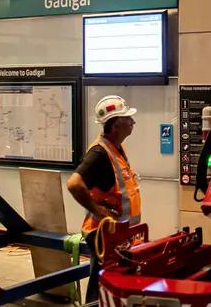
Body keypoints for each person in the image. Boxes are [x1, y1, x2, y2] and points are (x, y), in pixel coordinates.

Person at [66, 95, 141, 303]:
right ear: (117, 124)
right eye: (128, 118)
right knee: (102, 282)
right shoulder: (99, 153)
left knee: (109, 281)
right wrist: (98, 210)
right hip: (105, 233)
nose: (133, 122)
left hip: (118, 234)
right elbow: (74, 184)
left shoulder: (116, 149)